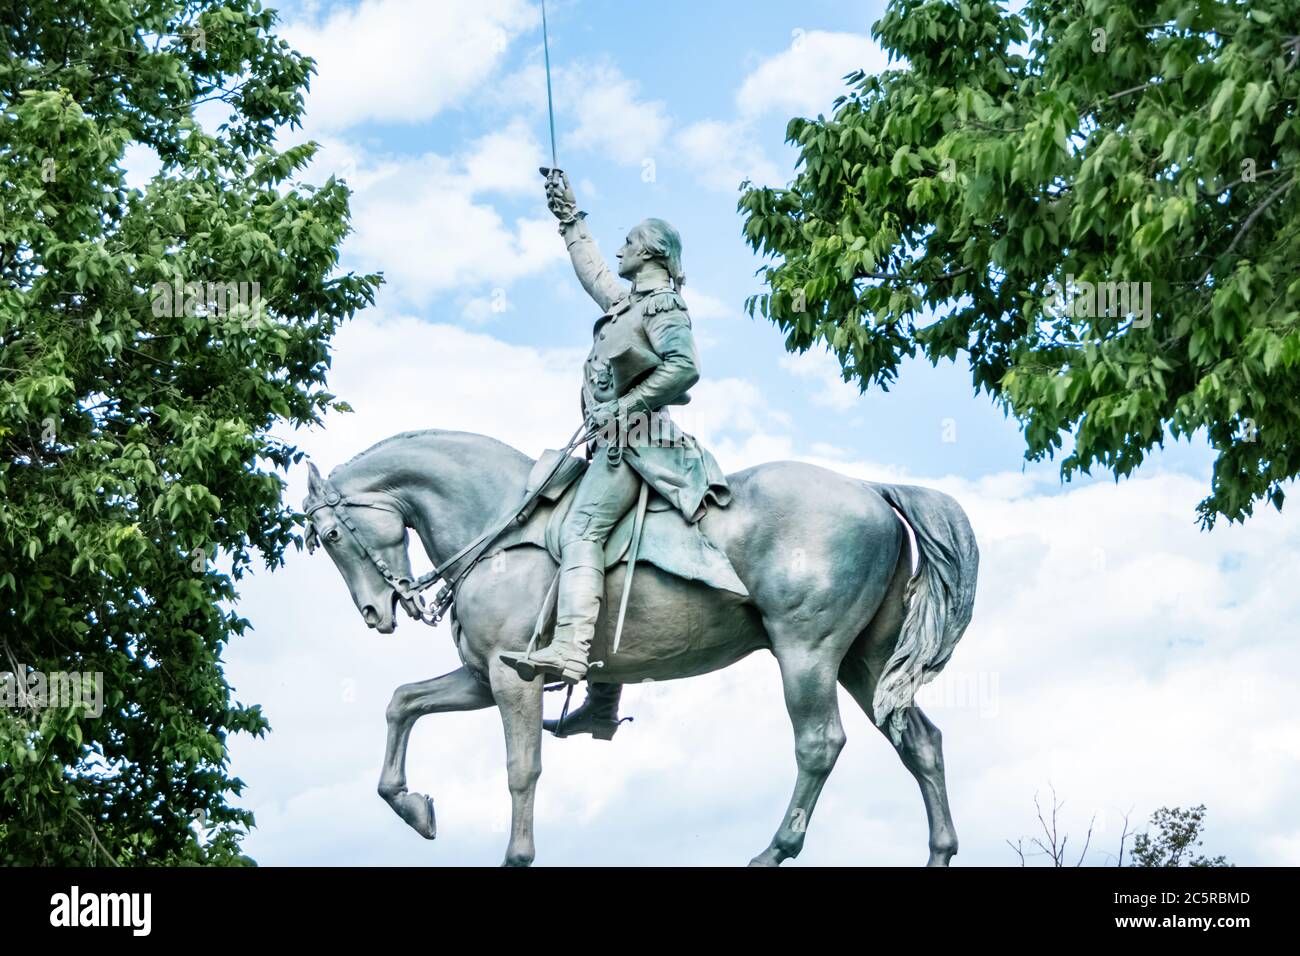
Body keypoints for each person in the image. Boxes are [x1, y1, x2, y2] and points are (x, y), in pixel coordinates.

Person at [501, 170, 731, 724]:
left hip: (638, 445)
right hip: (610, 442)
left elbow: (685, 369)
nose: (620, 251)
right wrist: (568, 218)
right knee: (599, 541)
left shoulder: (664, 308)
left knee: (582, 530)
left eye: (629, 242)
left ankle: (572, 649)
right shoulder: (629, 302)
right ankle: (603, 703)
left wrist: (623, 409)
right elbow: (593, 272)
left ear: (650, 251)